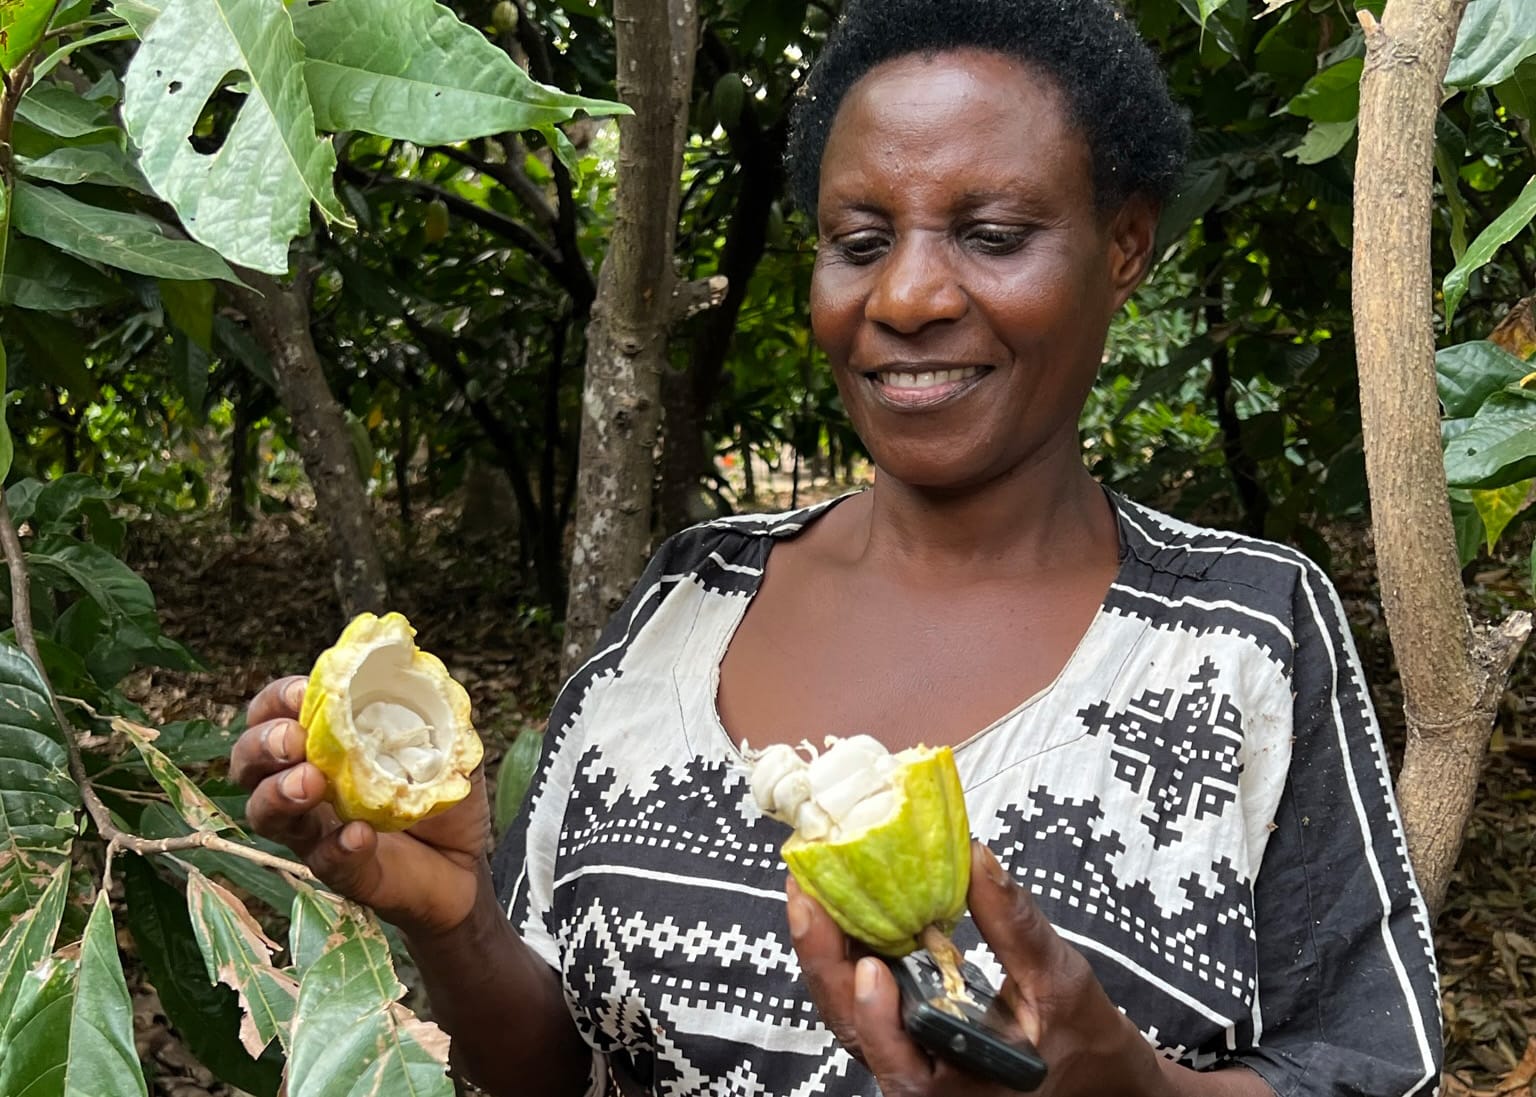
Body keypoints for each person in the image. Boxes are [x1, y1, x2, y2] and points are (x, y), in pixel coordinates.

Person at [231, 0, 1443, 1093]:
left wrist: (1130, 1092)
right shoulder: (687, 599)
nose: (907, 295)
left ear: (1124, 243)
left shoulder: (1244, 634)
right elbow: (554, 1058)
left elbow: (1372, 1071)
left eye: (996, 232)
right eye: (861, 241)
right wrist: (453, 921)